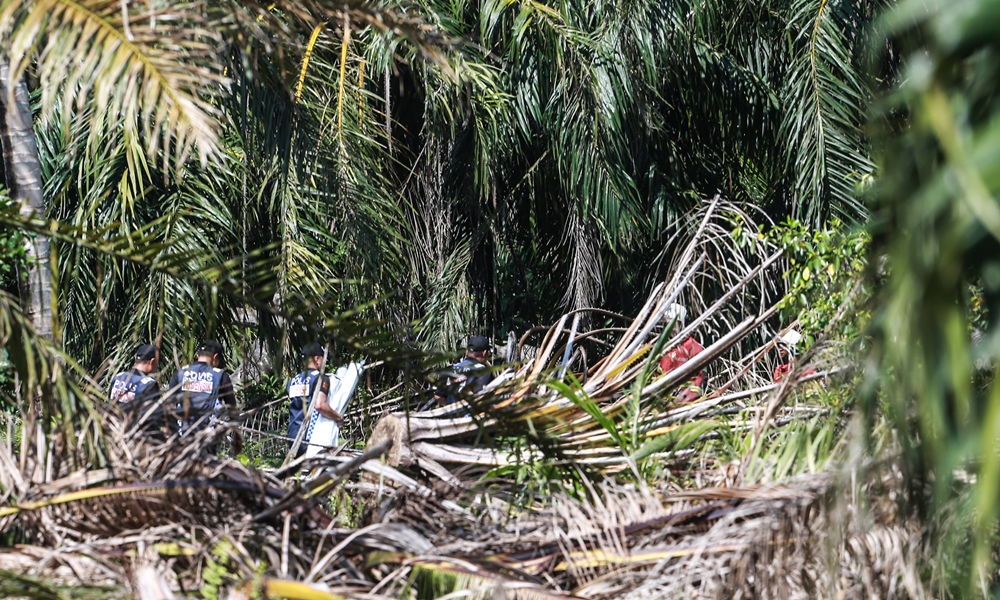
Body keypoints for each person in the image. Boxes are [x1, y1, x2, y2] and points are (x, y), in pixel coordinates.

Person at [167, 340, 239, 447]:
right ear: (215, 357)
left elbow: (169, 405)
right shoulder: (220, 375)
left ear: (198, 355)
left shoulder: (180, 372)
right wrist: (237, 436)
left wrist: (167, 432)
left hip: (181, 438)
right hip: (207, 439)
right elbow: (232, 408)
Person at [286, 343, 344, 455]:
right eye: (324, 359)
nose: (325, 363)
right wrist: (338, 418)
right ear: (317, 359)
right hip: (310, 437)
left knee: (301, 470)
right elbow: (319, 405)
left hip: (292, 436)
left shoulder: (292, 381)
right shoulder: (321, 378)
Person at [658, 304, 706, 403]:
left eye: (674, 324)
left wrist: (684, 397)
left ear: (683, 324)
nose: (671, 328)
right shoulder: (666, 349)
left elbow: (701, 379)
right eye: (667, 324)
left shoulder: (692, 346)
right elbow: (659, 377)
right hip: (665, 406)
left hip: (686, 406)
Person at [110, 343, 163, 427]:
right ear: (152, 361)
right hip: (135, 435)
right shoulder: (149, 384)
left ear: (135, 359)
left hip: (113, 430)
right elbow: (150, 419)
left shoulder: (118, 377)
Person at [434, 335, 494, 406]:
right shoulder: (483, 372)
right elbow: (480, 398)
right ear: (484, 353)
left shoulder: (451, 369)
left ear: (466, 352)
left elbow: (438, 396)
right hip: (472, 416)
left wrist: (453, 406)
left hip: (452, 415)